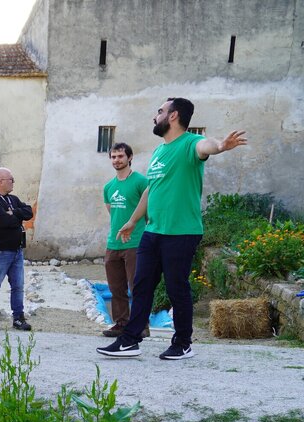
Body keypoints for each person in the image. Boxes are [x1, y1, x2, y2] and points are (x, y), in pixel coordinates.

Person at [98, 98, 247, 360]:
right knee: (142, 285)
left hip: (181, 231)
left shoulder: (190, 143)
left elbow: (206, 145)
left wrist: (221, 146)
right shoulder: (159, 151)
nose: (155, 116)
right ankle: (130, 340)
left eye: (160, 112)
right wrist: (133, 221)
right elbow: (151, 190)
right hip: (153, 231)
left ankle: (183, 343)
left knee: (177, 287)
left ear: (173, 116)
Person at [101, 142, 148, 338]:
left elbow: (148, 212)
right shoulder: (108, 187)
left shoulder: (141, 182)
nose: (116, 160)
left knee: (136, 286)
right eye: (113, 157)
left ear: (130, 158)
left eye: (120, 156)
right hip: (114, 244)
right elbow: (113, 214)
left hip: (135, 243)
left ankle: (141, 327)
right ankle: (121, 323)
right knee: (115, 288)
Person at [0, 167, 33, 332]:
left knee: (18, 286)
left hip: (17, 250)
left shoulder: (13, 199)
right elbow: (5, 222)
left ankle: (18, 318)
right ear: (0, 182)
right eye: (11, 179)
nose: (13, 182)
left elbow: (29, 212)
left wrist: (14, 212)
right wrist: (14, 217)